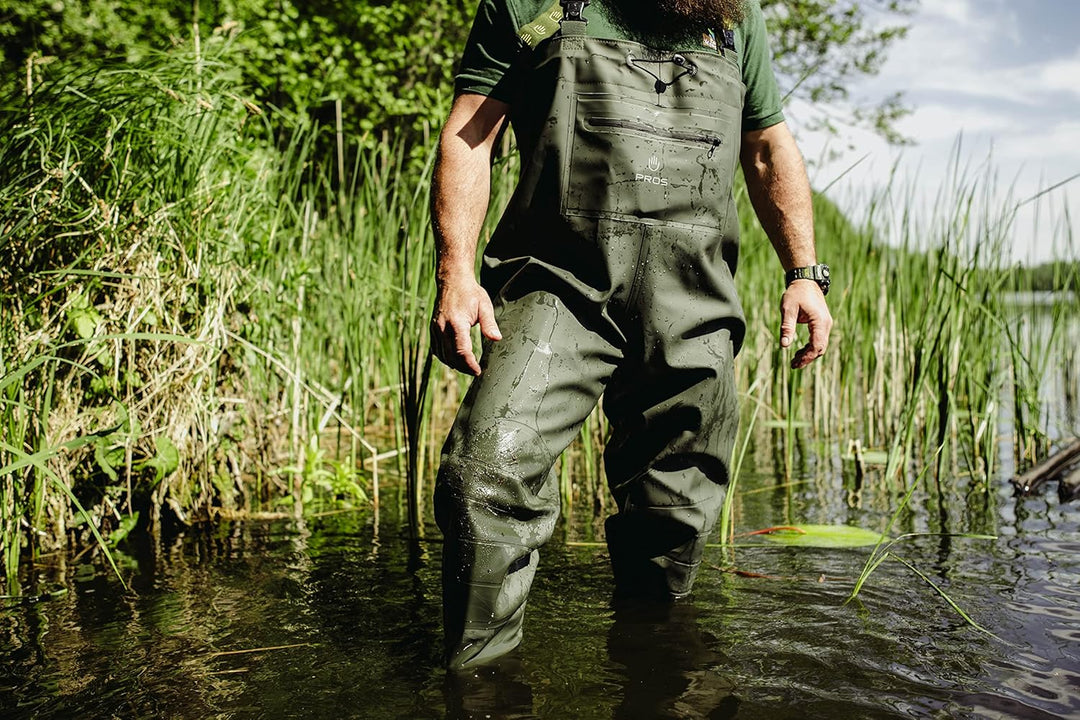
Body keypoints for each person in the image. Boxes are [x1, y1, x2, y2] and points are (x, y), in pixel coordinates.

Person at [429, 0, 833, 670]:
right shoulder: (531, 3)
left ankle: (654, 670)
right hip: (557, 288)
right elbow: (471, 134)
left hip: (692, 303)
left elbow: (767, 148)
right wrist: (457, 272)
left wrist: (804, 273)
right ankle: (480, 688)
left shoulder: (735, 18)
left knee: (674, 516)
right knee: (484, 477)